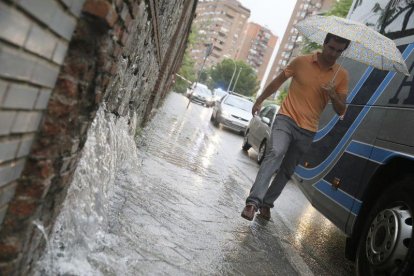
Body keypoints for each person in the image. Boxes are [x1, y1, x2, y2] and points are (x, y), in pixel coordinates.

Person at [241, 33, 350, 221]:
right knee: (275, 152)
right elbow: (277, 82)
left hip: (308, 129)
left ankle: (267, 204)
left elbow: (341, 110)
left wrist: (333, 94)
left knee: (287, 170)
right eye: (331, 48)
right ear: (324, 44)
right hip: (286, 118)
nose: (333, 53)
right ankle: (253, 202)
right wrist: (259, 100)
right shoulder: (301, 61)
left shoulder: (341, 75)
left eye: (339, 51)